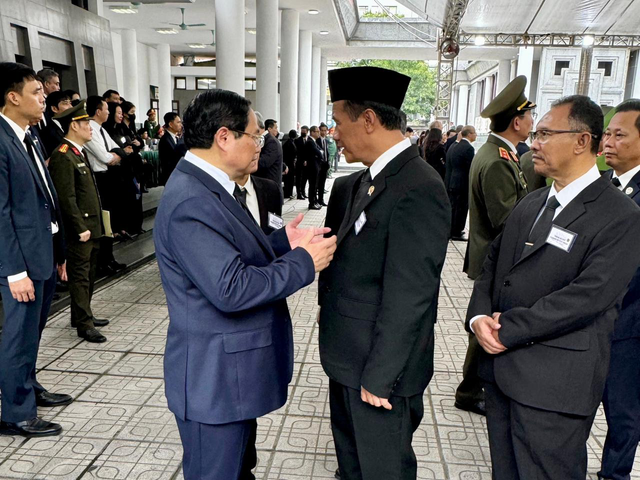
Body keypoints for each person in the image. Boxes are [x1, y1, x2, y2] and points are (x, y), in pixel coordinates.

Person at [153, 88, 337, 480]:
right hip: (214, 379)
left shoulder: (211, 186)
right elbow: (231, 289)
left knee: (239, 468)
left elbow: (229, 257)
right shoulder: (192, 200)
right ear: (224, 137)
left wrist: (281, 243)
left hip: (232, 373)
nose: (261, 144)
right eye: (255, 135)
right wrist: (304, 262)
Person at [469, 95, 640, 480]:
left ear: (582, 141)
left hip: (555, 385)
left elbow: (588, 296)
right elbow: (493, 267)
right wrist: (479, 316)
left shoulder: (621, 216)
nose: (535, 142)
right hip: (503, 372)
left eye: (546, 133)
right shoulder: (532, 204)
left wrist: (507, 329)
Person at [318, 66, 450, 480]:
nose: (334, 132)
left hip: (380, 373)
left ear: (369, 120)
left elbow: (411, 295)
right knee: (353, 467)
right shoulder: (364, 181)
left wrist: (380, 378)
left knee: (382, 470)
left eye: (339, 122)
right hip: (348, 359)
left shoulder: (418, 187)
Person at [455, 76, 535, 417]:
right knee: (484, 323)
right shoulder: (499, 159)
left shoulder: (497, 152)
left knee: (485, 321)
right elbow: (507, 221)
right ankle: (471, 391)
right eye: (530, 116)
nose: (533, 122)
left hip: (489, 253)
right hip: (496, 257)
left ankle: (474, 387)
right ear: (517, 121)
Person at [0, 62, 72, 438]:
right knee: (18, 335)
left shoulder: (29, 135)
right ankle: (15, 412)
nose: (44, 97)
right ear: (13, 97)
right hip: (21, 262)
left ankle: (27, 386)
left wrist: (59, 252)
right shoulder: (0, 140)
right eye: (36, 92)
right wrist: (14, 271)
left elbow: (45, 199)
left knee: (33, 332)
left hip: (42, 252)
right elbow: (1, 213)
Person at [599, 99, 640, 480]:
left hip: (630, 327)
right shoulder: (604, 187)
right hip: (594, 323)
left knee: (623, 414)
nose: (608, 141)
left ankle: (616, 475)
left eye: (620, 134)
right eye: (607, 133)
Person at [48, 101, 109, 343]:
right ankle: (84, 324)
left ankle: (82, 315)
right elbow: (66, 198)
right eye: (86, 124)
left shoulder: (77, 152)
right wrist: (79, 228)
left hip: (92, 227)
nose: (91, 128)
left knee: (89, 274)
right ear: (74, 125)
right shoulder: (62, 155)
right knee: (80, 277)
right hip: (80, 230)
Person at [83, 95, 127, 276]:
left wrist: (117, 154)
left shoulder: (102, 130)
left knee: (110, 221)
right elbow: (105, 157)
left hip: (109, 178)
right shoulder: (91, 130)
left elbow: (117, 149)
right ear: (98, 111)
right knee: (104, 220)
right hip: (99, 178)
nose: (108, 112)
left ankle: (110, 258)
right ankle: (102, 262)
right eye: (107, 109)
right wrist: (115, 155)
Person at [445, 125, 477, 240]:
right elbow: (470, 167)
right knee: (461, 208)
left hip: (453, 181)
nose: (476, 135)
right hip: (462, 183)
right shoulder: (468, 148)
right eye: (474, 133)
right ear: (469, 134)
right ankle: (457, 232)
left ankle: (452, 229)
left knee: (454, 207)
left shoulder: (455, 146)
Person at [254, 118, 284, 202]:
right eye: (276, 128)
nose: (277, 131)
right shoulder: (267, 140)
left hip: (270, 190)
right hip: (265, 189)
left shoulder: (271, 142)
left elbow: (264, 162)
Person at [158, 112, 187, 186]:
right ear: (170, 124)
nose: (181, 125)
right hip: (171, 176)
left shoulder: (175, 137)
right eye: (178, 122)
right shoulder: (165, 140)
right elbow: (169, 160)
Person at [41, 90, 72, 156]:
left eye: (70, 103)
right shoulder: (49, 132)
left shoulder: (68, 126)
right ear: (54, 109)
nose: (71, 107)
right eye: (65, 103)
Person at [306, 126, 324, 210]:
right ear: (312, 132)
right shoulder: (310, 142)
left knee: (315, 185)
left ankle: (315, 201)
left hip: (315, 166)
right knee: (312, 185)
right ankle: (312, 203)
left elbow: (321, 150)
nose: (318, 133)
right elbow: (318, 152)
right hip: (312, 167)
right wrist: (320, 153)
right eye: (317, 131)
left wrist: (320, 153)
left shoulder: (314, 141)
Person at [316, 123, 330, 206]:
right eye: (322, 130)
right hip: (318, 165)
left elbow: (326, 153)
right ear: (319, 130)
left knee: (322, 183)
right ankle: (315, 200)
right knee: (316, 184)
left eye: (325, 131)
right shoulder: (317, 140)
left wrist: (328, 162)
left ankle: (321, 199)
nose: (324, 132)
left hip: (325, 165)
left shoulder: (325, 140)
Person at [294, 126, 310, 200]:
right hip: (299, 162)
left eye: (304, 131)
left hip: (307, 163)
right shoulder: (297, 140)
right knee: (299, 178)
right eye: (302, 131)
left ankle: (303, 192)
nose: (303, 132)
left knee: (305, 178)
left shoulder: (309, 140)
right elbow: (297, 152)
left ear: (307, 131)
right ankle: (299, 193)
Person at [282, 129, 297, 199]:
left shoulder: (287, 142)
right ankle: (288, 193)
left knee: (288, 179)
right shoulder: (291, 143)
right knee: (289, 179)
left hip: (288, 162)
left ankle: (288, 193)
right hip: (290, 163)